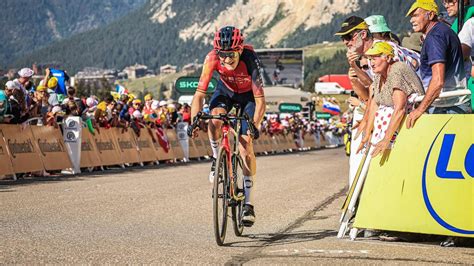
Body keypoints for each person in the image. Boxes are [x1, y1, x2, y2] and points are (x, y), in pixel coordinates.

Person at [190, 26, 266, 227]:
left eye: (231, 55)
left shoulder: (250, 59)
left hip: (249, 96)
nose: (226, 60)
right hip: (225, 91)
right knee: (214, 119)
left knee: (244, 146)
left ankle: (248, 204)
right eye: (222, 55)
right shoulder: (212, 58)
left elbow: (260, 102)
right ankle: (217, 158)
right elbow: (198, 95)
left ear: (240, 50)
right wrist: (194, 121)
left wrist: (254, 126)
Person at [406, 0, 471, 129]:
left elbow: (438, 80)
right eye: (411, 16)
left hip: (449, 107)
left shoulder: (435, 36)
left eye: (416, 15)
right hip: (451, 104)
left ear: (430, 15)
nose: (411, 20)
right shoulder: (442, 31)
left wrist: (420, 109)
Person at [357, 42, 425, 156]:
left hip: (410, 126)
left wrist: (386, 139)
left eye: (375, 58)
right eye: (370, 59)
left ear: (388, 58)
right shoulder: (379, 74)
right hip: (395, 129)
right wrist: (367, 133)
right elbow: (375, 102)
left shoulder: (396, 69)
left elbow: (400, 108)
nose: (371, 63)